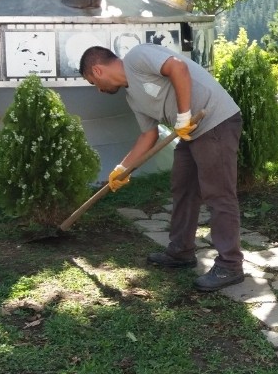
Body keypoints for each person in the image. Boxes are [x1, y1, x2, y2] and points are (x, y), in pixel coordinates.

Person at [79, 43, 245, 291]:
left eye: (93, 82)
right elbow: (148, 136)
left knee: (218, 194)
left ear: (98, 70)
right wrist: (122, 168)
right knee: (183, 188)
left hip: (214, 121)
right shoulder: (133, 97)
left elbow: (177, 68)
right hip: (191, 133)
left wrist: (183, 115)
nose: (99, 90)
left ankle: (230, 265)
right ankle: (181, 251)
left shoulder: (137, 57)